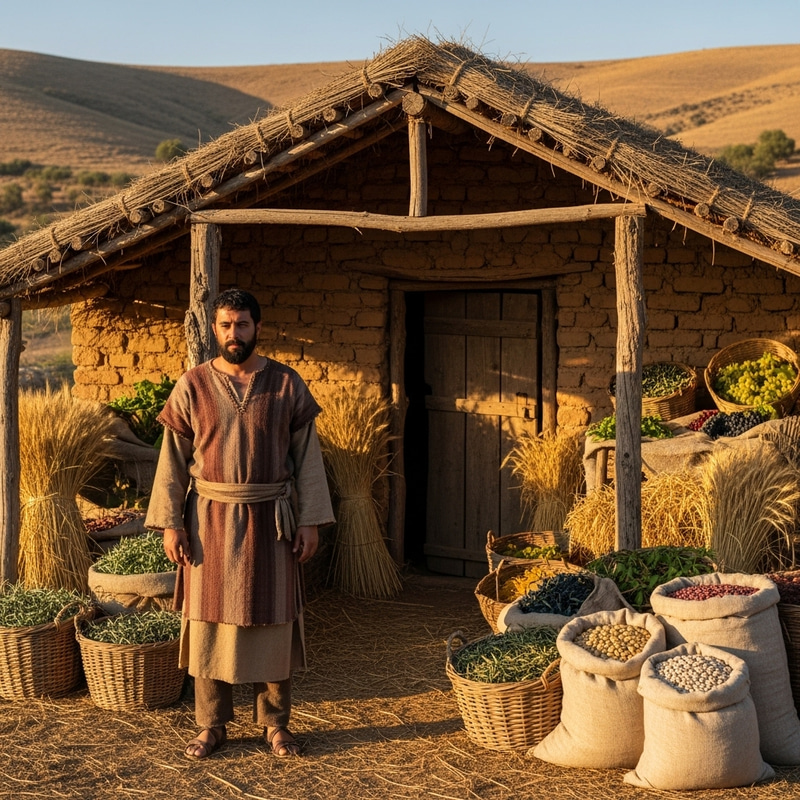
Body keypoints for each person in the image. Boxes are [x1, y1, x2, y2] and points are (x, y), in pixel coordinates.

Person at [145, 287, 334, 760]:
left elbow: (307, 459)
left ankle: (275, 724)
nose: (235, 333)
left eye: (243, 324)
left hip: (272, 519)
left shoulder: (287, 384)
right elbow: (171, 460)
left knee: (273, 619)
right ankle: (211, 725)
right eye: (226, 325)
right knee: (209, 620)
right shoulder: (192, 385)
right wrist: (172, 523)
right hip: (208, 519)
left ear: (258, 327)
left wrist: (309, 521)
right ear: (214, 329)